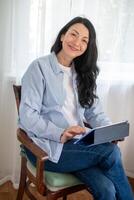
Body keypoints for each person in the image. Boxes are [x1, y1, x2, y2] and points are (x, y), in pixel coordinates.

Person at [19, 16, 134, 200]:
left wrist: (110, 130)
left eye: (84, 40)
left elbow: (94, 112)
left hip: (79, 147)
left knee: (107, 190)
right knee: (111, 152)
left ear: (87, 47)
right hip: (47, 148)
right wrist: (60, 133)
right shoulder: (38, 68)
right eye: (74, 34)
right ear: (63, 36)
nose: (77, 43)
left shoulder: (82, 74)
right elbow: (27, 117)